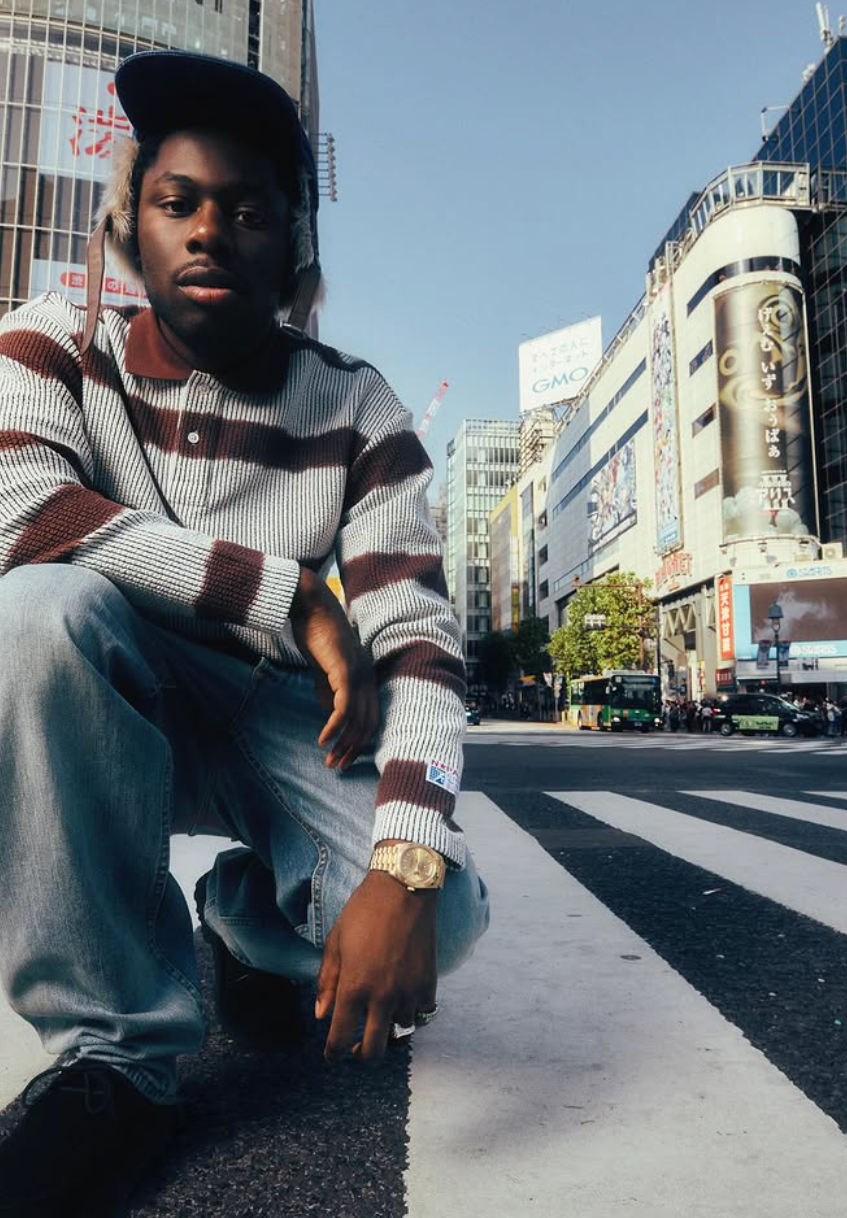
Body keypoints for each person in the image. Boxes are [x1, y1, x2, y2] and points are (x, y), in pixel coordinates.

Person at [0, 50, 488, 1217]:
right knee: (36, 610)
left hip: (283, 718)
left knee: (443, 922)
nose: (209, 232)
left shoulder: (357, 404)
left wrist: (407, 858)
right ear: (132, 227)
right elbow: (24, 517)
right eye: (178, 204)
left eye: (248, 210)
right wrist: (288, 597)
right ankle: (118, 1054)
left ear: (294, 249)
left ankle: (241, 914)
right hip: (119, 680)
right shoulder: (51, 342)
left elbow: (417, 642)